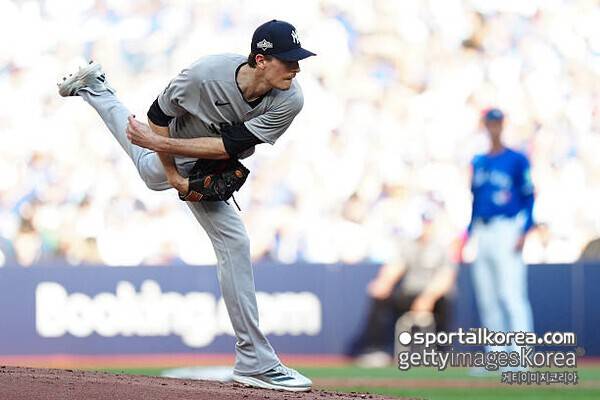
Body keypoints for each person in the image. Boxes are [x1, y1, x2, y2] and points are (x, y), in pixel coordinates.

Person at [58, 20, 315, 392]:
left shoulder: (290, 99)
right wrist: (171, 171)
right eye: (288, 60)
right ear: (261, 60)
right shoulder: (204, 75)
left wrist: (165, 156)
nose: (297, 67)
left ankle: (254, 361)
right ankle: (255, 362)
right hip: (176, 142)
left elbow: (229, 146)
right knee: (152, 173)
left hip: (207, 157)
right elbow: (157, 117)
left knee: (233, 241)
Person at [465, 108, 535, 360]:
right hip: (482, 230)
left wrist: (525, 230)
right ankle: (496, 356)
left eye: (497, 123)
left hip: (506, 228)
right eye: (489, 123)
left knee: (511, 295)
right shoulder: (478, 161)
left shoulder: (517, 159)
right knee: (488, 298)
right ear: (484, 125)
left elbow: (529, 196)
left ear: (503, 125)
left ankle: (520, 357)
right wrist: (468, 233)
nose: (493, 127)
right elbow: (475, 200)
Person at [349, 214, 457, 367]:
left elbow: (445, 278)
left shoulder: (442, 248)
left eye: (429, 223)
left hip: (434, 296)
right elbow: (396, 266)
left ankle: (440, 353)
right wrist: (384, 282)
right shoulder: (409, 245)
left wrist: (428, 298)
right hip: (410, 294)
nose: (426, 227)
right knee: (380, 296)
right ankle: (376, 350)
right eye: (424, 223)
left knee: (446, 300)